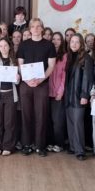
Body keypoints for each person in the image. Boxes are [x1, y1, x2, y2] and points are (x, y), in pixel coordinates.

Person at [17, 18, 56, 157]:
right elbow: (20, 65)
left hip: (42, 85)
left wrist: (40, 80)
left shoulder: (49, 45)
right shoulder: (23, 45)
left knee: (41, 115)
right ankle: (27, 144)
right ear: (30, 29)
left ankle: (40, 146)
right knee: (26, 115)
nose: (36, 29)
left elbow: (51, 66)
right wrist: (27, 80)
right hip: (26, 84)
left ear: (42, 28)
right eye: (33, 26)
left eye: (38, 26)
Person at [64, 33, 94, 160]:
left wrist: (84, 95)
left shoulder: (86, 58)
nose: (74, 44)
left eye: (77, 42)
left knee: (78, 123)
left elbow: (88, 78)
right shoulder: (69, 57)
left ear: (81, 44)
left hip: (79, 95)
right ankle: (73, 147)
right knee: (70, 122)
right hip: (68, 95)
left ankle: (80, 151)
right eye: (72, 42)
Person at [0, 37, 20, 155]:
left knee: (9, 122)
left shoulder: (15, 60)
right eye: (1, 46)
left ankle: (8, 146)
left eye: (5, 46)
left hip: (10, 94)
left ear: (9, 47)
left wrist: (18, 79)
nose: (3, 48)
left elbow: (17, 82)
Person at [47, 32, 67, 153]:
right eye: (53, 39)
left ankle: (59, 143)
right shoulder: (47, 54)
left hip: (57, 93)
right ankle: (50, 142)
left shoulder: (64, 56)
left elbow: (64, 75)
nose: (55, 41)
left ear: (62, 41)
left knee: (58, 121)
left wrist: (61, 91)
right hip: (46, 92)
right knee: (48, 120)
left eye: (58, 39)